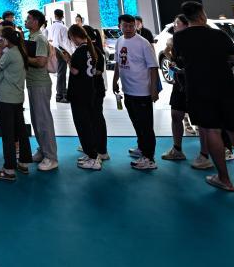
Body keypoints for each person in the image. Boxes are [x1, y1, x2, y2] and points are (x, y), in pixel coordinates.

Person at [173, 1, 234, 192]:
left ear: (186, 18)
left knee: (211, 131)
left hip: (199, 89)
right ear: (201, 15)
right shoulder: (218, 34)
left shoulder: (180, 37)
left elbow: (179, 60)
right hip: (225, 87)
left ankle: (224, 179)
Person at [112, 14, 159, 171]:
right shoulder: (119, 41)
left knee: (146, 126)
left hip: (142, 91)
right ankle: (142, 148)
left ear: (135, 26)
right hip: (128, 90)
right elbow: (118, 63)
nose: (129, 28)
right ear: (119, 27)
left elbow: (153, 67)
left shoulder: (143, 43)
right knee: (137, 123)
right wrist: (114, 80)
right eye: (125, 26)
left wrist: (153, 89)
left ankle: (149, 158)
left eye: (131, 26)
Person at [0, 27, 33, 181]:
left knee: (8, 133)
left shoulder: (9, 53)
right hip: (17, 97)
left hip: (7, 98)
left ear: (6, 39)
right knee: (20, 131)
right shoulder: (20, 51)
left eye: (1, 38)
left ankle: (9, 169)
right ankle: (23, 162)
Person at [23, 9, 58, 171]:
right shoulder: (31, 37)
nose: (26, 20)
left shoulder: (40, 39)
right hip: (32, 82)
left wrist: (24, 57)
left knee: (43, 120)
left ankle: (51, 157)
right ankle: (43, 150)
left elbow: (41, 62)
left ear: (36, 22)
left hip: (40, 84)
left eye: (29, 18)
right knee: (36, 120)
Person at [66, 25, 104, 170]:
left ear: (74, 37)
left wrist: (67, 60)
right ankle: (92, 153)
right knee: (89, 123)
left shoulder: (79, 52)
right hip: (90, 92)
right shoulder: (92, 49)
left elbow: (75, 71)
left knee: (83, 126)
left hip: (79, 94)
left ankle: (93, 157)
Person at [161, 14, 191, 162]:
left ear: (186, 24)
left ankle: (207, 152)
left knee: (202, 121)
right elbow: (167, 53)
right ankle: (177, 149)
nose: (174, 26)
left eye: (177, 23)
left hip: (194, 85)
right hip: (179, 85)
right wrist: (173, 63)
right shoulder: (174, 41)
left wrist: (184, 70)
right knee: (175, 115)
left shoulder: (194, 41)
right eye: (174, 23)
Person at [47, 9, 70, 103]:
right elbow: (65, 42)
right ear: (62, 16)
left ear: (55, 15)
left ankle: (60, 93)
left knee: (60, 72)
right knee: (62, 73)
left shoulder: (50, 27)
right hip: (61, 51)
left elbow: (50, 39)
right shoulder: (64, 27)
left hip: (53, 49)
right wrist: (69, 53)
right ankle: (60, 94)